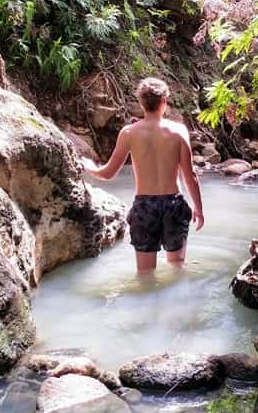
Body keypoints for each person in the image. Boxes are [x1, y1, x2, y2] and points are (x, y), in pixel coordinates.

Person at [81, 77, 204, 272]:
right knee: (177, 268)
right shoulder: (179, 131)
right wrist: (199, 209)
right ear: (164, 102)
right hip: (174, 204)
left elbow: (108, 174)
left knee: (145, 274)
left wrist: (89, 167)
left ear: (141, 103)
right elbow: (190, 176)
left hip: (145, 206)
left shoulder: (129, 133)